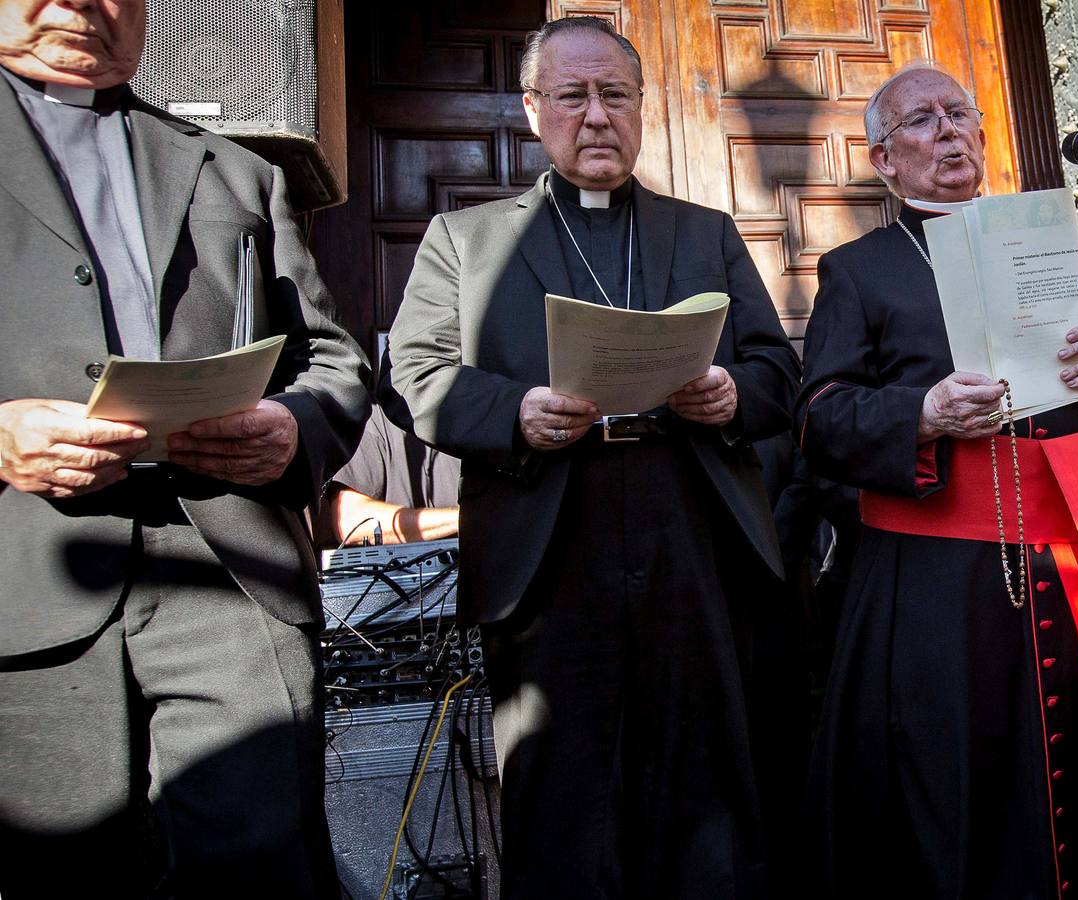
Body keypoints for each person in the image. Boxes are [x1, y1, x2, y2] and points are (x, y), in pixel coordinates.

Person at [382, 16, 800, 899]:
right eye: (572, 96)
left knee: (705, 782)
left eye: (614, 94)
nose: (596, 115)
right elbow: (416, 372)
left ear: (642, 108)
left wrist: (731, 395)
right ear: (535, 110)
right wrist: (514, 413)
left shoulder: (704, 231)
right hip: (549, 530)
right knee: (563, 794)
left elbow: (774, 368)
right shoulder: (467, 240)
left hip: (689, 524)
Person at [796, 63, 1078, 899]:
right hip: (939, 588)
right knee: (963, 790)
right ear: (884, 160)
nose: (949, 131)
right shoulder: (859, 270)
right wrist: (922, 413)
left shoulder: (1051, 248)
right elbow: (818, 420)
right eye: (922, 121)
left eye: (961, 115)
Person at [0, 1, 371, 897]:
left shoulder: (238, 172)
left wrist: (293, 427)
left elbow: (330, 356)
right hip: (27, 582)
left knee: (261, 867)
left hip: (230, 574)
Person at [323, 400, 460, 547]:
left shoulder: (481, 416)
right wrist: (463, 519)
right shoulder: (374, 419)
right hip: (401, 568)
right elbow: (350, 521)